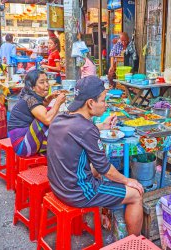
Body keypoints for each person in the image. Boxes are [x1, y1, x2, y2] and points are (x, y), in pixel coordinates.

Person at [47, 76, 144, 236]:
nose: (106, 104)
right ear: (91, 103)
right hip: (76, 193)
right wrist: (128, 181)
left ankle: (103, 215)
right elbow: (106, 169)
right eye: (104, 100)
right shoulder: (86, 128)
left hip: (58, 185)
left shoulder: (60, 118)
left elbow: (79, 132)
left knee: (96, 171)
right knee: (135, 194)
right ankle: (134, 242)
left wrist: (101, 126)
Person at [8, 70, 66, 157]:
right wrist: (57, 103)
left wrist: (49, 98)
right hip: (22, 146)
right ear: (32, 87)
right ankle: (56, 149)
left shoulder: (29, 96)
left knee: (50, 112)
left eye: (47, 81)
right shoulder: (30, 99)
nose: (46, 84)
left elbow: (39, 108)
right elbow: (47, 119)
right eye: (42, 82)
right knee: (47, 118)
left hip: (25, 139)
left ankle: (55, 147)